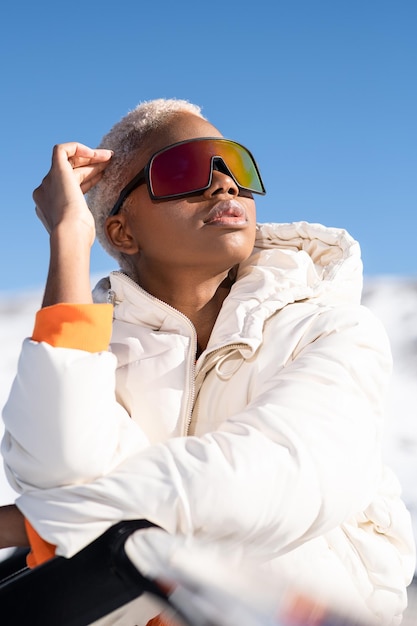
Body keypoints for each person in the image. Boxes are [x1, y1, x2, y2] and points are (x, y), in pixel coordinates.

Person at [0, 98, 415, 625]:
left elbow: (283, 475)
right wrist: (69, 236)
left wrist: (27, 524)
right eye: (181, 171)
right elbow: (58, 466)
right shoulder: (96, 356)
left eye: (234, 166)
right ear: (123, 231)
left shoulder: (331, 330)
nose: (223, 185)